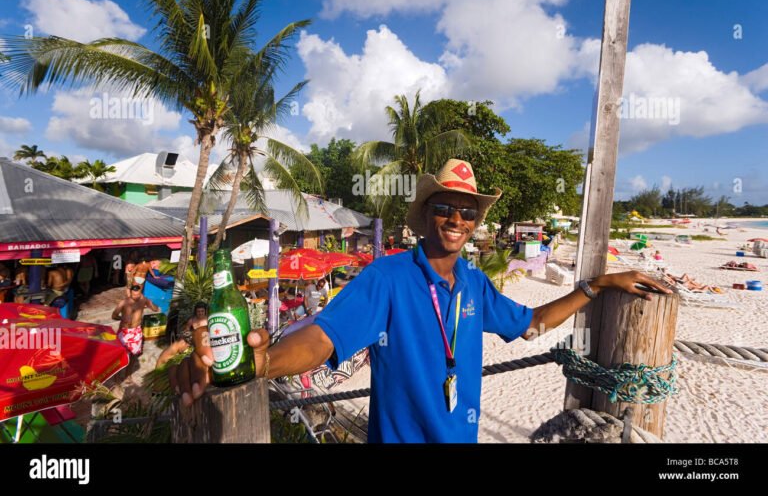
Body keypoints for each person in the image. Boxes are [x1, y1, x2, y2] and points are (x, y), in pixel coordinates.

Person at [168, 158, 672, 442]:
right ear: (426, 214)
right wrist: (259, 363)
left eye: (468, 213)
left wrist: (597, 287)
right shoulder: (386, 278)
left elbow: (533, 324)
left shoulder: (474, 285)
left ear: (475, 224)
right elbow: (323, 339)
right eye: (446, 208)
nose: (457, 220)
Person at [112, 285, 159, 380]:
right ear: (130, 293)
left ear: (140, 292)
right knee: (120, 355)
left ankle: (128, 375)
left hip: (136, 331)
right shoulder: (124, 303)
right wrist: (122, 318)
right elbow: (114, 315)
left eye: (137, 295)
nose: (135, 297)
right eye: (133, 295)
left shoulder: (143, 300)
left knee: (133, 356)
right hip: (124, 331)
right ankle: (116, 376)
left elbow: (155, 309)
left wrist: (149, 302)